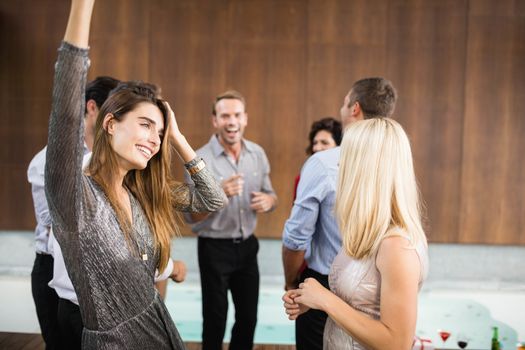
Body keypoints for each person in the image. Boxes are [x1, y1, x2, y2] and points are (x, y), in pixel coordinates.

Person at [44, 1, 227, 349]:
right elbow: (66, 110)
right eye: (145, 125)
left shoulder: (141, 192)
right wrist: (83, 6)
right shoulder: (75, 197)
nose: (154, 140)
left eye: (159, 132)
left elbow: (213, 198)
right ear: (110, 124)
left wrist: (178, 138)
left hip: (160, 328)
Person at [283, 118, 429, 349]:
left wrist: (326, 299)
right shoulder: (368, 231)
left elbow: (397, 343)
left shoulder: (397, 245)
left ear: (367, 171)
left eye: (345, 161)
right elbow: (362, 302)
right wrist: (314, 301)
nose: (340, 169)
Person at [281, 77, 397, 350]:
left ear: (354, 108)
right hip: (381, 287)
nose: (342, 108)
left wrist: (291, 283)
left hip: (325, 287)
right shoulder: (397, 164)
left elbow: (296, 240)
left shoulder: (322, 163)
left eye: (345, 102)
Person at [27, 74, 119, 350]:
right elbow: (59, 225)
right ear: (93, 107)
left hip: (99, 271)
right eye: (116, 109)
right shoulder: (50, 159)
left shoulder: (113, 154)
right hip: (55, 272)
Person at [184, 90, 278, 350]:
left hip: (248, 246)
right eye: (225, 115)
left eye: (237, 115)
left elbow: (271, 195)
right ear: (215, 121)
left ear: (245, 118)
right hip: (214, 249)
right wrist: (218, 193)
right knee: (215, 319)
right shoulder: (198, 160)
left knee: (248, 318)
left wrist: (269, 202)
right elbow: (191, 217)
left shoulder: (257, 154)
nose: (231, 121)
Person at [293, 117, 342, 200]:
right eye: (315, 143)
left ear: (338, 147)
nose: (317, 148)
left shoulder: (348, 177)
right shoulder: (302, 178)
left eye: (324, 142)